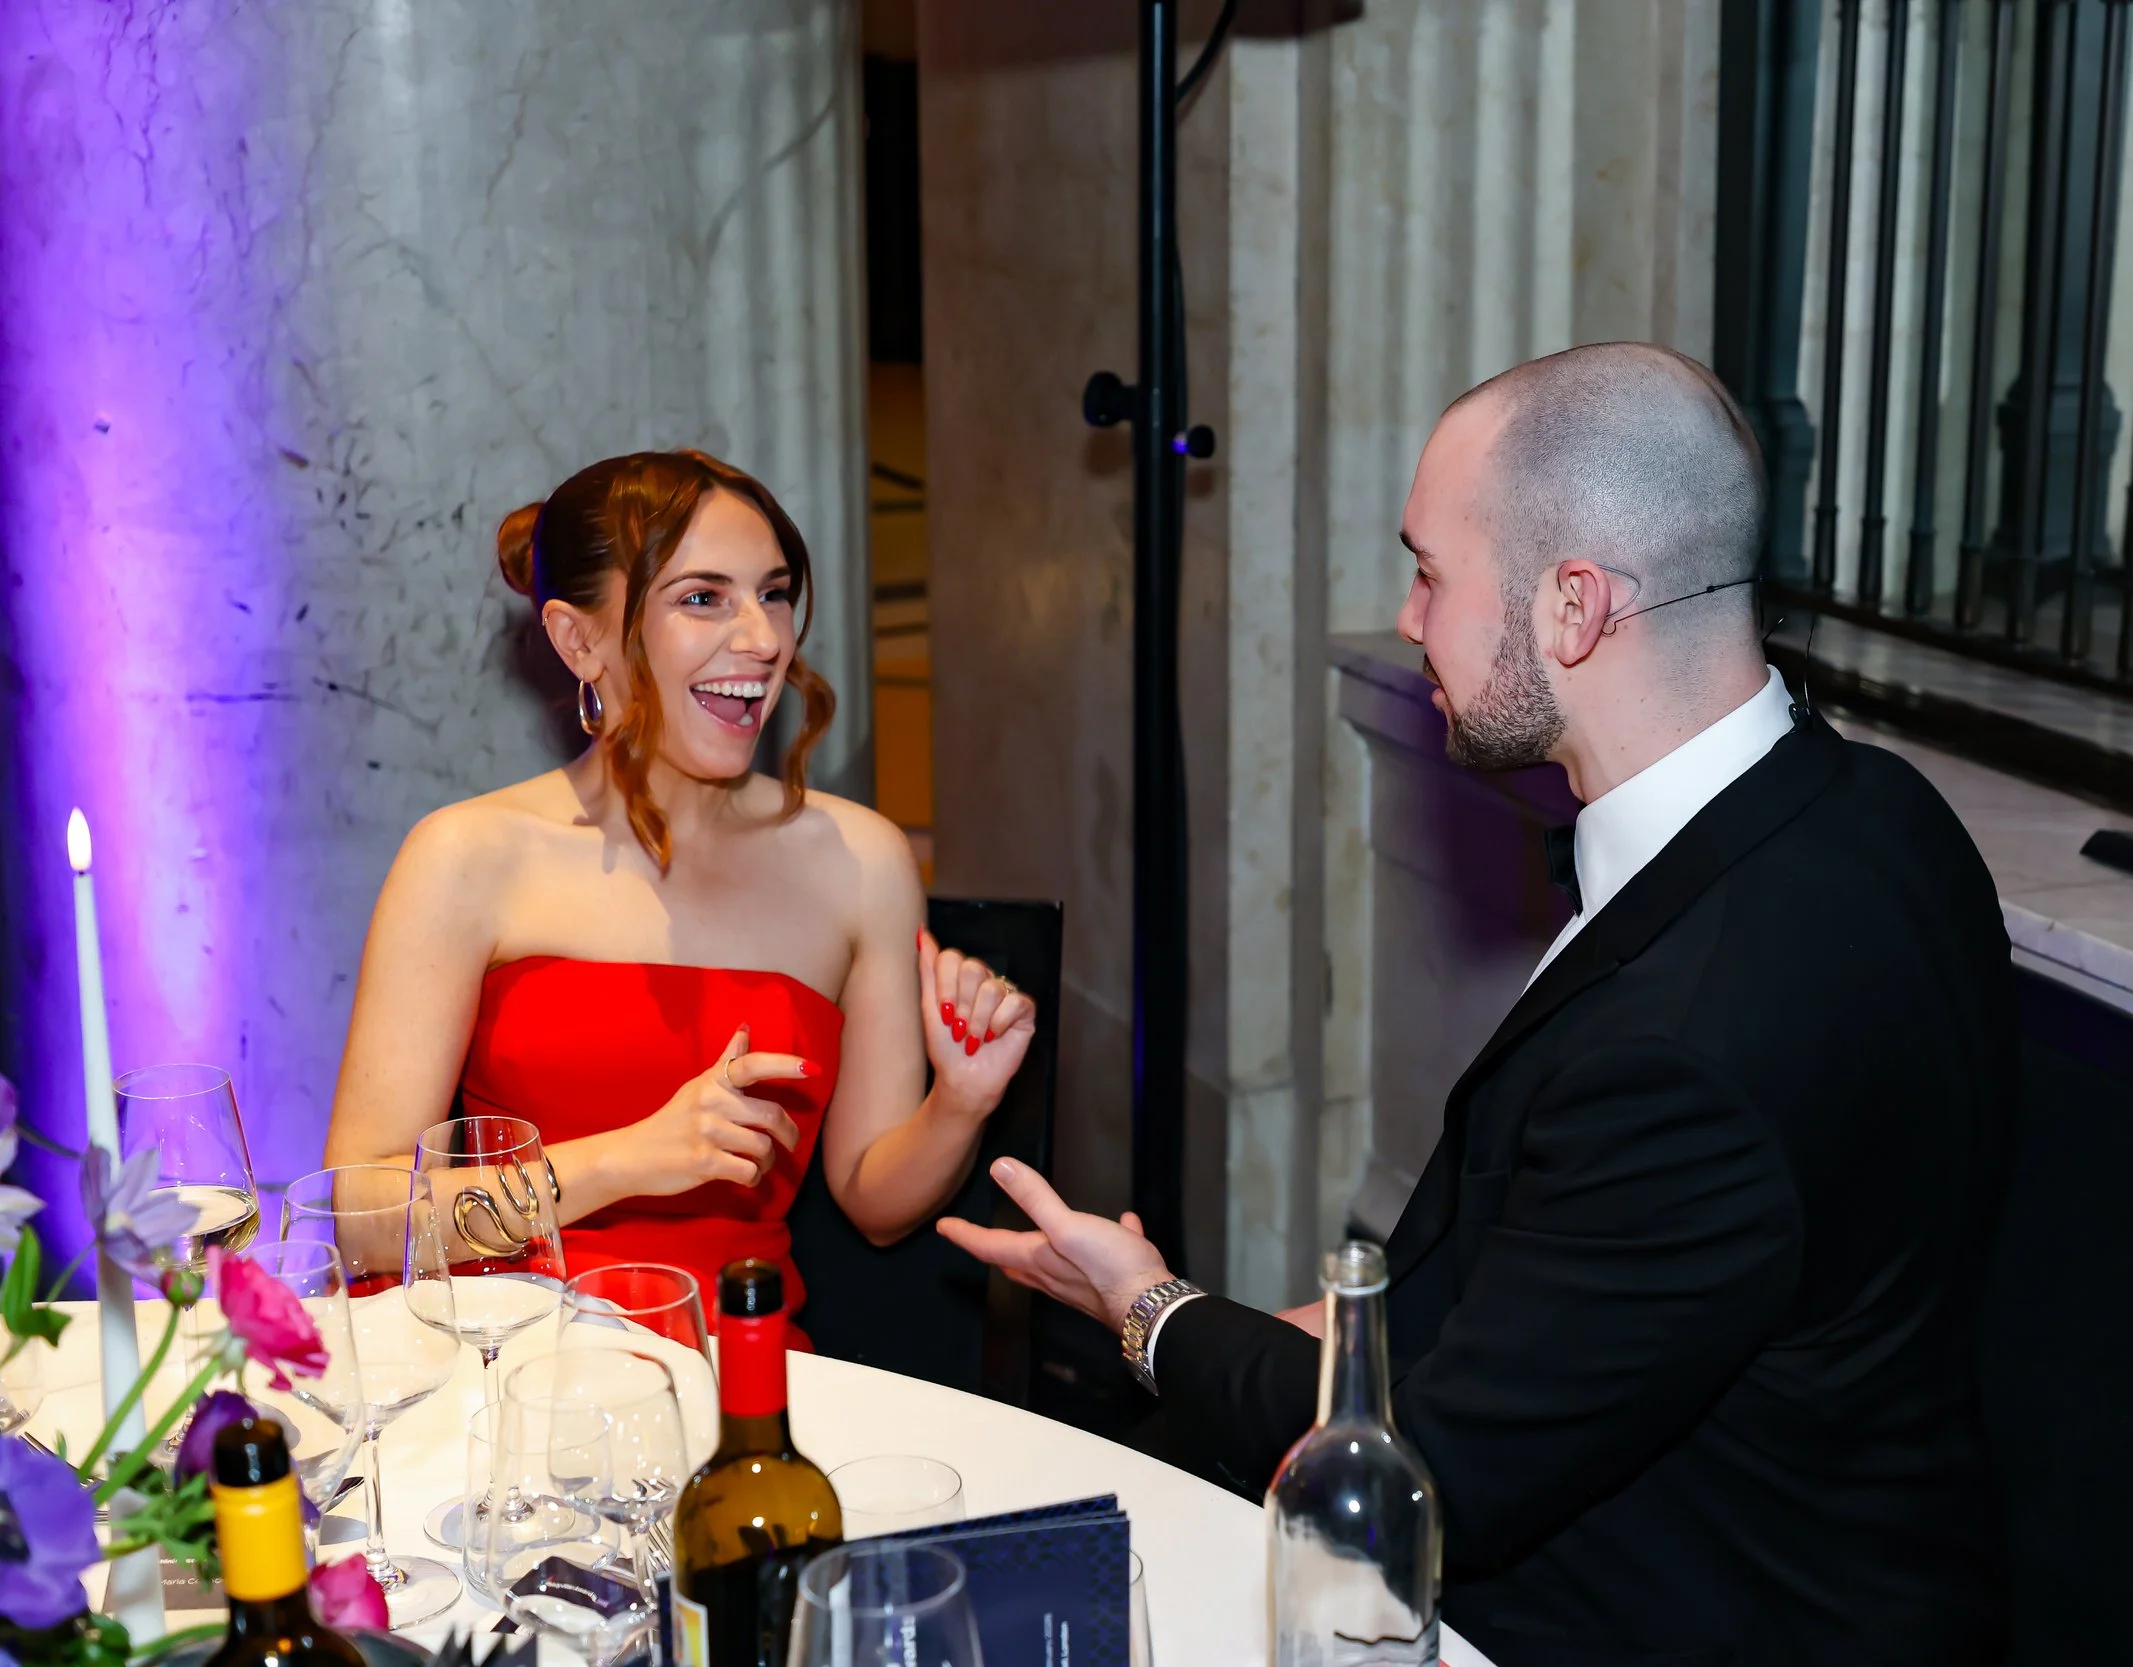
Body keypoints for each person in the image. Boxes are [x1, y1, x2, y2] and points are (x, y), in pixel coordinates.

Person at [939, 345, 2014, 1665]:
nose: (1405, 615)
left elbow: (1423, 1487)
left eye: (1431, 571)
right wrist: (1329, 1327)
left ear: (1573, 607)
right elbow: (1584, 1282)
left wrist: (1148, 1309)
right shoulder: (1875, 813)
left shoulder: (1689, 1053)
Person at [327, 450, 1034, 1344]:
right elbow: (359, 1215)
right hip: (496, 1366)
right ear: (580, 639)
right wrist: (628, 1159)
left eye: (772, 593)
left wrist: (960, 1102)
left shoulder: (860, 859)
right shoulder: (468, 856)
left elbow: (875, 1200)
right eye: (704, 597)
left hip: (733, 1366)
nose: (764, 638)